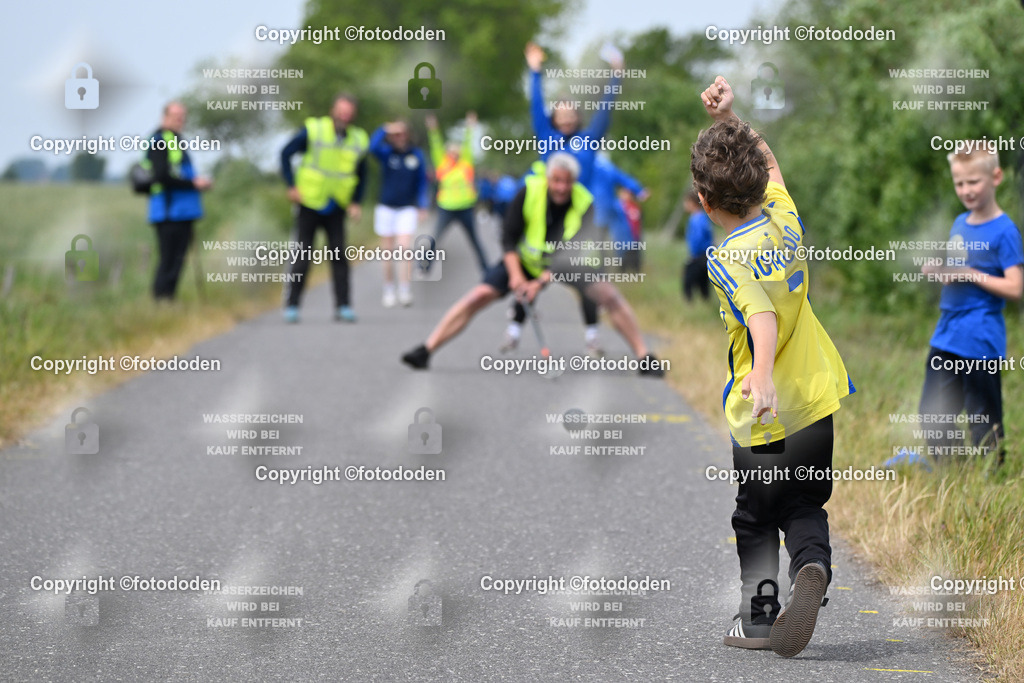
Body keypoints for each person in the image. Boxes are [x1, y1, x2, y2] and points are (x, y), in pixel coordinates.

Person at [693, 76, 853, 656]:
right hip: (816, 399)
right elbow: (773, 167)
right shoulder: (786, 221)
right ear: (760, 183)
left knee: (755, 517)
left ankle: (759, 618)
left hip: (767, 412)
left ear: (705, 204)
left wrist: (760, 376)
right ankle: (812, 567)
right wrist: (734, 119)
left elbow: (759, 315)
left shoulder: (727, 258)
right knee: (804, 505)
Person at [401, 153, 664, 377]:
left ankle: (644, 357)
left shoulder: (585, 204)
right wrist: (517, 277)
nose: (561, 187)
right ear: (549, 179)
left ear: (574, 182)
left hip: (568, 264)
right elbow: (508, 238)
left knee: (608, 295)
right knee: (479, 295)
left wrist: (539, 283)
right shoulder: (528, 191)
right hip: (525, 260)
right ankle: (426, 350)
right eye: (557, 181)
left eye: (567, 182)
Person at [917, 143, 1023, 465]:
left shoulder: (1005, 231)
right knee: (932, 410)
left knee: (983, 418)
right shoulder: (960, 222)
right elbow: (958, 271)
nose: (966, 190)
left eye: (973, 182)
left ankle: (992, 474)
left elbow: (1016, 287)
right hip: (947, 334)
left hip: (980, 338)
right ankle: (953, 471)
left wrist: (971, 274)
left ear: (996, 177)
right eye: (959, 183)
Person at [280, 93, 368, 323]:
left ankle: (343, 306)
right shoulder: (314, 130)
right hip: (309, 202)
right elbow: (285, 153)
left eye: (348, 113)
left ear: (353, 115)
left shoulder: (358, 139)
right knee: (302, 255)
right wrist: (291, 185)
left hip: (336, 204)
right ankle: (292, 306)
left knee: (339, 255)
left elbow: (362, 173)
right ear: (333, 110)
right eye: (341, 111)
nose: (344, 116)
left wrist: (356, 201)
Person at [146, 101, 212, 300]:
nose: (180, 121)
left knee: (177, 261)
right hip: (168, 211)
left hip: (183, 211)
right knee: (168, 261)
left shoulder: (176, 141)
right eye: (176, 117)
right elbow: (162, 176)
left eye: (182, 117)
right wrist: (194, 184)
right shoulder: (160, 141)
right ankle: (161, 303)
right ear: (164, 117)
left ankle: (168, 303)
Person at [369, 120, 430, 307]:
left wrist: (423, 204)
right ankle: (389, 289)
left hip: (406, 208)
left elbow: (422, 182)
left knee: (404, 249)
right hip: (386, 208)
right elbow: (371, 147)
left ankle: (404, 289)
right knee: (387, 253)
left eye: (402, 133)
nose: (400, 137)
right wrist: (385, 129)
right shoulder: (387, 153)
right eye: (396, 134)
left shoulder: (416, 155)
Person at [423, 112, 489, 273]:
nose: (454, 153)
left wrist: (470, 127)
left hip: (466, 207)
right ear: (447, 153)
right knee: (435, 237)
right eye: (451, 151)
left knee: (475, 240)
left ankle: (486, 269)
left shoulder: (466, 163)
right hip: (446, 207)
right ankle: (424, 265)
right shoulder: (442, 163)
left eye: (456, 151)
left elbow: (467, 144)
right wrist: (433, 129)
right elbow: (436, 144)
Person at [682, 188, 714, 301]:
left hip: (699, 256)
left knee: (688, 282)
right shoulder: (704, 217)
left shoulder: (696, 219)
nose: (684, 205)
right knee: (703, 283)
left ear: (692, 203)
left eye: (686, 202)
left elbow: (698, 238)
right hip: (707, 255)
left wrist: (694, 254)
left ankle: (689, 303)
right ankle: (706, 303)